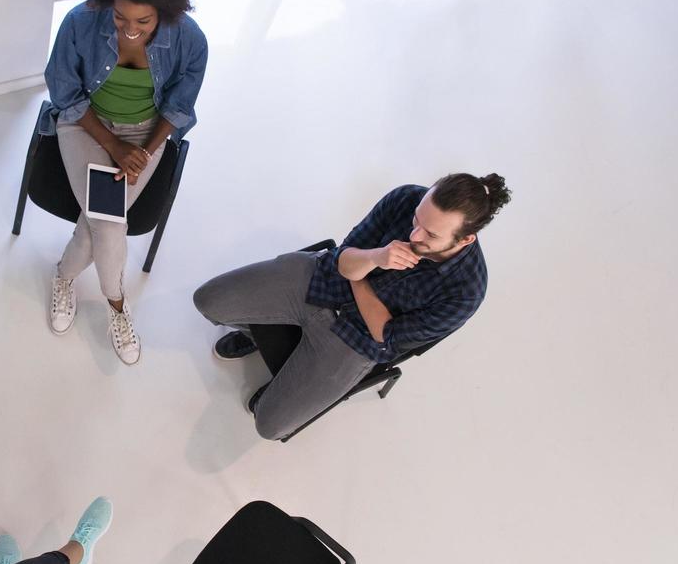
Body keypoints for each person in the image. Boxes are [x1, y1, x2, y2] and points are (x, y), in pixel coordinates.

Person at [194, 174, 512, 439]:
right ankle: (256, 330)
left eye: (430, 234)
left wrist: (360, 277)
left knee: (269, 425)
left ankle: (281, 370)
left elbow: (385, 335)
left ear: (464, 240)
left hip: (356, 340)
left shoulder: (466, 292)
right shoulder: (404, 198)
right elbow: (343, 259)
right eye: (417, 219)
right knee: (208, 302)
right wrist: (376, 258)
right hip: (326, 279)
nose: (415, 234)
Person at [39, 0, 207, 364]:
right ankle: (117, 305)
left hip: (143, 134)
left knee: (97, 222)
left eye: (143, 22)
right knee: (109, 223)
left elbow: (178, 106)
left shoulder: (190, 39)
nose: (130, 29)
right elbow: (65, 95)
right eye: (120, 18)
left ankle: (64, 275)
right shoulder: (80, 23)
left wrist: (145, 151)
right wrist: (112, 143)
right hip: (85, 126)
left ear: (164, 13)